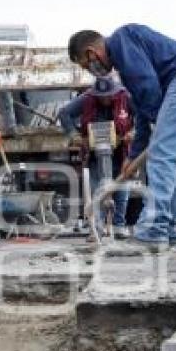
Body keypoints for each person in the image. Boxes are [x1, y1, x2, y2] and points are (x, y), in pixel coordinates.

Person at [68, 24, 176, 250]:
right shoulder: (127, 58)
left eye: (87, 64)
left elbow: (149, 91)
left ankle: (153, 230)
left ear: (92, 53)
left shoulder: (121, 41)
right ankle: (173, 231)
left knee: (163, 157)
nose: (92, 69)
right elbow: (141, 107)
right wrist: (133, 155)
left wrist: (158, 131)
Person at [58, 77, 134, 239]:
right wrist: (74, 135)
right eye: (101, 96)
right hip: (94, 152)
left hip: (122, 152)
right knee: (95, 186)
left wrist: (133, 133)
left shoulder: (126, 97)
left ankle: (119, 225)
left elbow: (143, 115)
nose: (105, 99)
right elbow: (64, 113)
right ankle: (97, 227)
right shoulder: (86, 99)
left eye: (108, 95)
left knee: (122, 185)